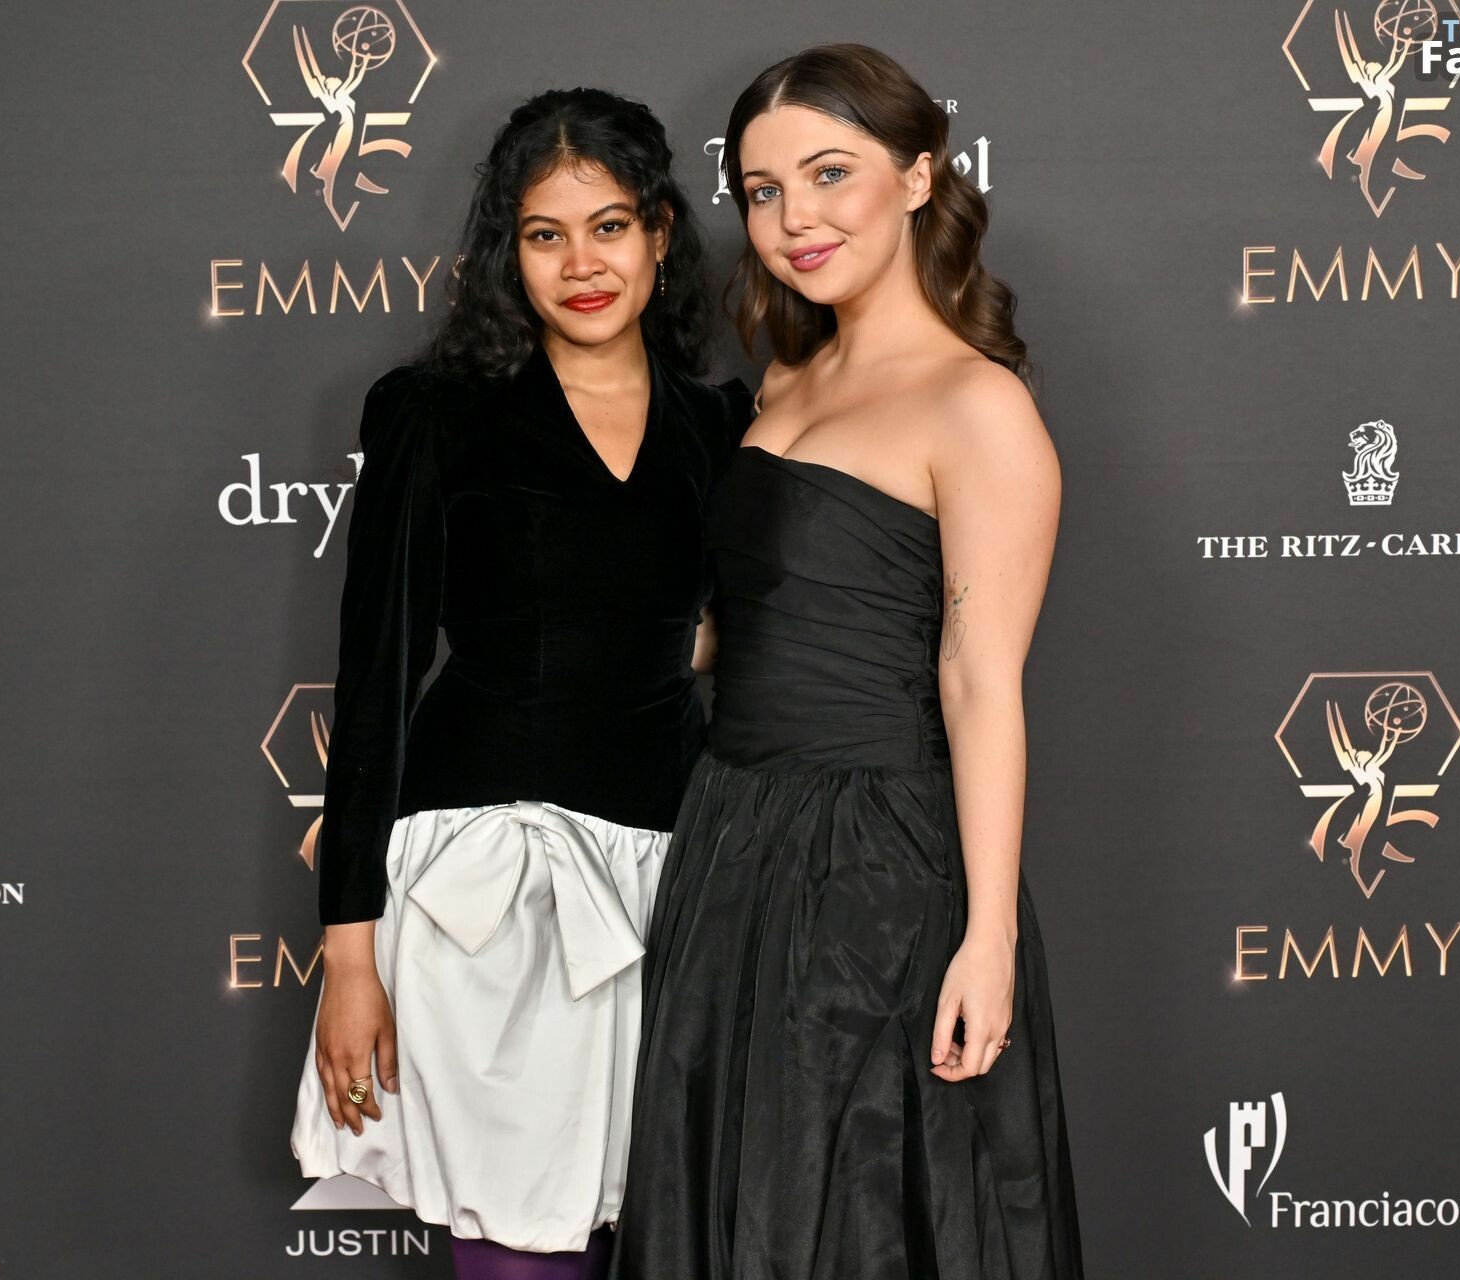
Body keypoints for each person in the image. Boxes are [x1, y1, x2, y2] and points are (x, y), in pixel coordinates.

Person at [611, 45, 1084, 1280]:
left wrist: (987, 934)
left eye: (830, 174)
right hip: (731, 838)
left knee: (859, 1213)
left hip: (881, 866)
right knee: (738, 1202)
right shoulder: (784, 380)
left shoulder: (977, 405)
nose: (793, 220)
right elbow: (750, 621)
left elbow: (981, 682)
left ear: (920, 176)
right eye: (763, 191)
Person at [289, 87, 752, 1280]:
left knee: (667, 1239)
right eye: (546, 234)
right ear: (509, 251)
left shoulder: (723, 422)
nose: (581, 264)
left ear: (660, 230)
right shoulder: (437, 413)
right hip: (489, 891)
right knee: (520, 1255)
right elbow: (377, 677)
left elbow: (715, 628)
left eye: (610, 226)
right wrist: (350, 958)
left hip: (671, 878)